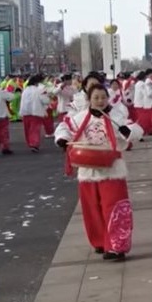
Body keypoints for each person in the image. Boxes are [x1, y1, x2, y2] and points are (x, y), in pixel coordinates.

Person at [56, 84, 142, 260]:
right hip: (88, 171)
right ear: (89, 99)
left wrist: (128, 132)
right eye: (96, 97)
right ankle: (101, 241)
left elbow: (136, 130)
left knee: (115, 207)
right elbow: (64, 127)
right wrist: (62, 139)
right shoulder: (80, 118)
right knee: (92, 209)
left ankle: (117, 246)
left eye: (103, 97)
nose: (100, 101)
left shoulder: (116, 116)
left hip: (112, 169)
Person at [19, 74, 52, 153]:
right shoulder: (39, 90)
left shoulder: (25, 90)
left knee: (27, 129)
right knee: (34, 130)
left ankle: (29, 143)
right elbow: (46, 101)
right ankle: (34, 144)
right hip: (36, 112)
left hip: (25, 112)